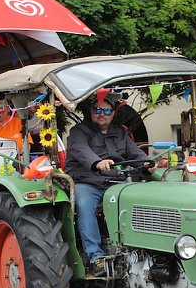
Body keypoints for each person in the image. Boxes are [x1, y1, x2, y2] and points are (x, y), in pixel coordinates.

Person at [65, 98, 152, 277]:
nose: (101, 114)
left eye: (106, 111)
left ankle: (142, 251)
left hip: (115, 182)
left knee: (142, 199)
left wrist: (148, 163)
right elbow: (80, 150)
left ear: (113, 114)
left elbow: (135, 154)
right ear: (91, 112)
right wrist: (97, 162)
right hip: (87, 182)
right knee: (84, 204)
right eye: (97, 110)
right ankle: (96, 257)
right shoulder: (79, 132)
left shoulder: (120, 133)